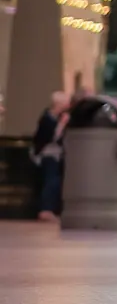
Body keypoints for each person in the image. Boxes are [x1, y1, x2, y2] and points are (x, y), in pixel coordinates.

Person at [30, 92, 69, 222]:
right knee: (51, 181)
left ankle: (53, 208)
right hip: (48, 155)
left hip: (57, 155)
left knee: (56, 181)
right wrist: (62, 125)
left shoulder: (57, 118)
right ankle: (45, 209)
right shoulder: (47, 118)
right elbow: (50, 137)